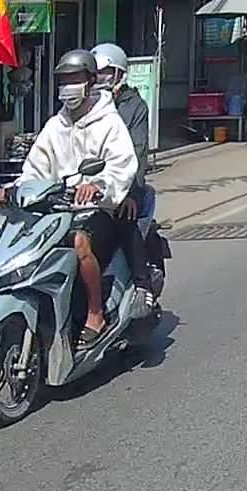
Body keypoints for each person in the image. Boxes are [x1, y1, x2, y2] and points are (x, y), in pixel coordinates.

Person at [0, 49, 138, 349]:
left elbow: (122, 165)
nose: (68, 87)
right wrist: (11, 189)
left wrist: (98, 185)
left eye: (75, 79)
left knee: (80, 242)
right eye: (64, 81)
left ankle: (95, 315)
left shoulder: (109, 122)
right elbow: (34, 169)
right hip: (56, 209)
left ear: (90, 81)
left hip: (99, 209)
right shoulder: (54, 126)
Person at [91, 42, 155, 319]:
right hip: (91, 184)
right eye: (96, 74)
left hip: (127, 185)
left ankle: (143, 286)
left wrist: (127, 192)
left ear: (119, 74)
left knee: (123, 220)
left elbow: (138, 153)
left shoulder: (134, 106)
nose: (100, 79)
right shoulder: (88, 105)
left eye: (106, 73)